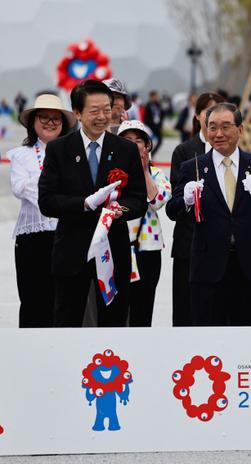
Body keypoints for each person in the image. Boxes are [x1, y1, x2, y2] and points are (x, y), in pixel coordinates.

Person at [38, 79, 147, 327]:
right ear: (77, 113)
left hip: (113, 250)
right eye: (94, 110)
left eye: (107, 109)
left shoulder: (125, 149)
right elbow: (47, 201)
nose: (102, 117)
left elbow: (138, 199)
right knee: (67, 320)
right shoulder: (59, 149)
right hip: (71, 251)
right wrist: (84, 204)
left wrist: (120, 210)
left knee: (114, 321)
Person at [166, 103, 251, 326]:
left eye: (225, 127)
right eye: (212, 127)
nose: (218, 134)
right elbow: (172, 210)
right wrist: (186, 199)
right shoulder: (192, 167)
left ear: (240, 129)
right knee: (208, 334)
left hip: (247, 265)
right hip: (207, 267)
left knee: (244, 331)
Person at [9, 94, 75, 327]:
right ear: (33, 122)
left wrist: (49, 190)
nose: (49, 122)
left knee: (64, 301)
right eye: (43, 117)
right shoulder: (21, 155)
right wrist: (58, 195)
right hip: (32, 238)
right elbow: (20, 188)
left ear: (63, 123)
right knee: (32, 300)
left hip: (66, 235)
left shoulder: (73, 154)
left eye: (55, 118)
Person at [167, 92, 224, 326]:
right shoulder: (184, 151)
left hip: (221, 244)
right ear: (197, 116)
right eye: (207, 112)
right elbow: (175, 203)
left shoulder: (230, 150)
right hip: (189, 243)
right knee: (186, 312)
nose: (212, 117)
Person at [118, 120, 171, 327]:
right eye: (127, 140)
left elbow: (157, 202)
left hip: (148, 248)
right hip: (119, 246)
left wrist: (145, 171)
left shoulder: (157, 173)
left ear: (147, 146)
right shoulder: (112, 173)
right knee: (118, 308)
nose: (133, 144)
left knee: (143, 307)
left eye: (138, 140)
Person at [143, 90, 163, 155]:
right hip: (150, 127)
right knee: (148, 142)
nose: (156, 98)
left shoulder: (158, 105)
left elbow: (161, 115)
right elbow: (146, 118)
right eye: (154, 96)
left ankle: (152, 154)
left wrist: (160, 125)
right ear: (151, 97)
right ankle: (147, 154)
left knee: (160, 141)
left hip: (157, 126)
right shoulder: (148, 105)